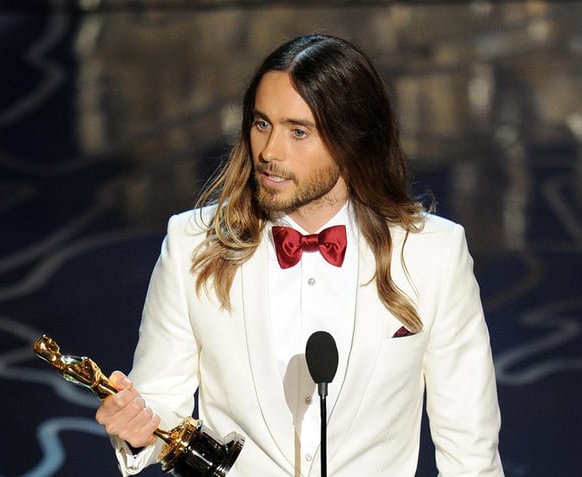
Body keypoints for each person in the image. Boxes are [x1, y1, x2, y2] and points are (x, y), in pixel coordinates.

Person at [95, 33, 503, 476]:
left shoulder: (432, 253)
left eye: (298, 131)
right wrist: (139, 425)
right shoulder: (193, 242)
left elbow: (471, 451)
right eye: (262, 123)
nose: (270, 152)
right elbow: (160, 399)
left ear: (352, 140)